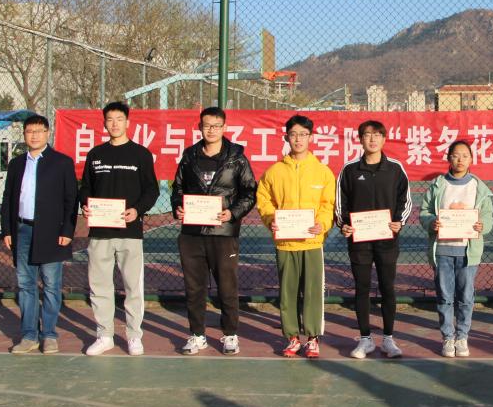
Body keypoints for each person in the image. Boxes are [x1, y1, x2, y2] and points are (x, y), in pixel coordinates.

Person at [171, 107, 257, 356]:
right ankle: (197, 335)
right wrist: (178, 207)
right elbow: (177, 189)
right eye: (207, 125)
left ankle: (230, 334)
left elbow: (249, 191)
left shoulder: (236, 157)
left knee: (227, 287)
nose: (211, 130)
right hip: (192, 234)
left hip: (223, 233)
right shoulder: (189, 156)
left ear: (224, 127)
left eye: (216, 126)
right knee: (194, 288)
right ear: (200, 127)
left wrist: (232, 213)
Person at [79, 101, 159, 356]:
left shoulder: (141, 154)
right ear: (104, 123)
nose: (114, 124)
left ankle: (134, 335)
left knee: (133, 287)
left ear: (128, 122)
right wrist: (85, 205)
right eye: (110, 119)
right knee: (99, 286)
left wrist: (137, 210)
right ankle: (105, 335)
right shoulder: (95, 154)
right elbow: (86, 187)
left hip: (130, 232)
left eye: (119, 119)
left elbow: (151, 190)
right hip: (100, 232)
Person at [256, 115, 336, 358]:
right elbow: (264, 200)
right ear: (286, 137)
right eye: (293, 134)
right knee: (288, 293)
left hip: (312, 243)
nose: (298, 139)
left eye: (303, 134)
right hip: (286, 243)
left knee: (312, 292)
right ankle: (292, 337)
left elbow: (328, 205)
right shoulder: (274, 171)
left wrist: (322, 224)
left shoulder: (322, 172)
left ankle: (312, 338)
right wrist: (271, 219)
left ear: (311, 137)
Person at [0, 114, 77, 354]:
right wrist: (7, 229)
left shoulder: (62, 162)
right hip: (22, 230)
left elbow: (71, 199)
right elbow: (8, 198)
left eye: (39, 131)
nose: (34, 135)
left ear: (47, 133)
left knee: (52, 285)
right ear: (24, 134)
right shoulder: (16, 164)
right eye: (29, 131)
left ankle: (49, 335)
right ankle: (29, 335)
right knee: (26, 284)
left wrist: (67, 230)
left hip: (52, 233)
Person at [336, 120, 412, 359]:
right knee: (362, 288)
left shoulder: (395, 169)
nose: (372, 139)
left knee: (388, 287)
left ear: (384, 139)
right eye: (367, 135)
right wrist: (343, 224)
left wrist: (399, 222)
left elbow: (405, 200)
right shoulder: (349, 170)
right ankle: (365, 339)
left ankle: (388, 339)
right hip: (359, 241)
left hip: (387, 240)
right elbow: (341, 204)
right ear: (360, 139)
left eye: (377, 134)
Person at [418, 140, 493, 357]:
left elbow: (487, 216)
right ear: (448, 158)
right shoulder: (438, 185)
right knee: (444, 297)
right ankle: (447, 337)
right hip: (442, 250)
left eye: (465, 156)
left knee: (466, 297)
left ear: (471, 159)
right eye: (456, 155)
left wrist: (482, 225)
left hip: (468, 252)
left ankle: (462, 336)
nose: (460, 159)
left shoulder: (478, 187)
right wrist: (431, 222)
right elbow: (424, 212)